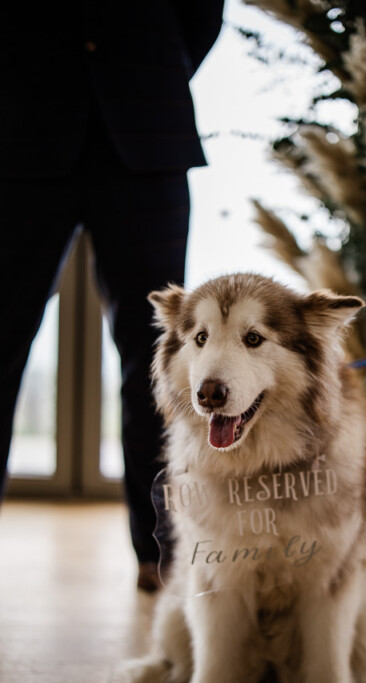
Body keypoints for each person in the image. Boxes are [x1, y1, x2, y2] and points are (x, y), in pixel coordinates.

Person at [0, 2, 224, 591]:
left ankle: (161, 548)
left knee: (160, 356)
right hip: (20, 129)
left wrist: (156, 69)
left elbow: (201, 14)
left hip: (146, 132)